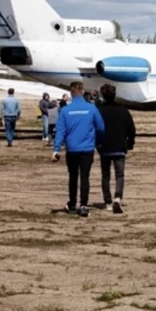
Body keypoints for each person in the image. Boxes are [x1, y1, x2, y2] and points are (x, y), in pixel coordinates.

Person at [53, 81, 104, 217]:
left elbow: (60, 131)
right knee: (85, 176)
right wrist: (97, 140)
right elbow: (101, 127)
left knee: (73, 176)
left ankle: (72, 203)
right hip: (87, 148)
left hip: (72, 149)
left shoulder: (65, 110)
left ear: (71, 93)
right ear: (82, 92)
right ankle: (83, 205)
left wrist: (56, 149)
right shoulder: (91, 108)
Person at [96, 83, 135, 213]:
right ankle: (117, 197)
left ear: (102, 95)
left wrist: (97, 143)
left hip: (104, 146)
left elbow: (95, 128)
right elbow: (131, 129)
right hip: (119, 146)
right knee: (120, 175)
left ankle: (107, 201)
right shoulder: (123, 110)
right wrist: (130, 143)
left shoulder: (99, 110)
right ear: (114, 94)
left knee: (105, 175)